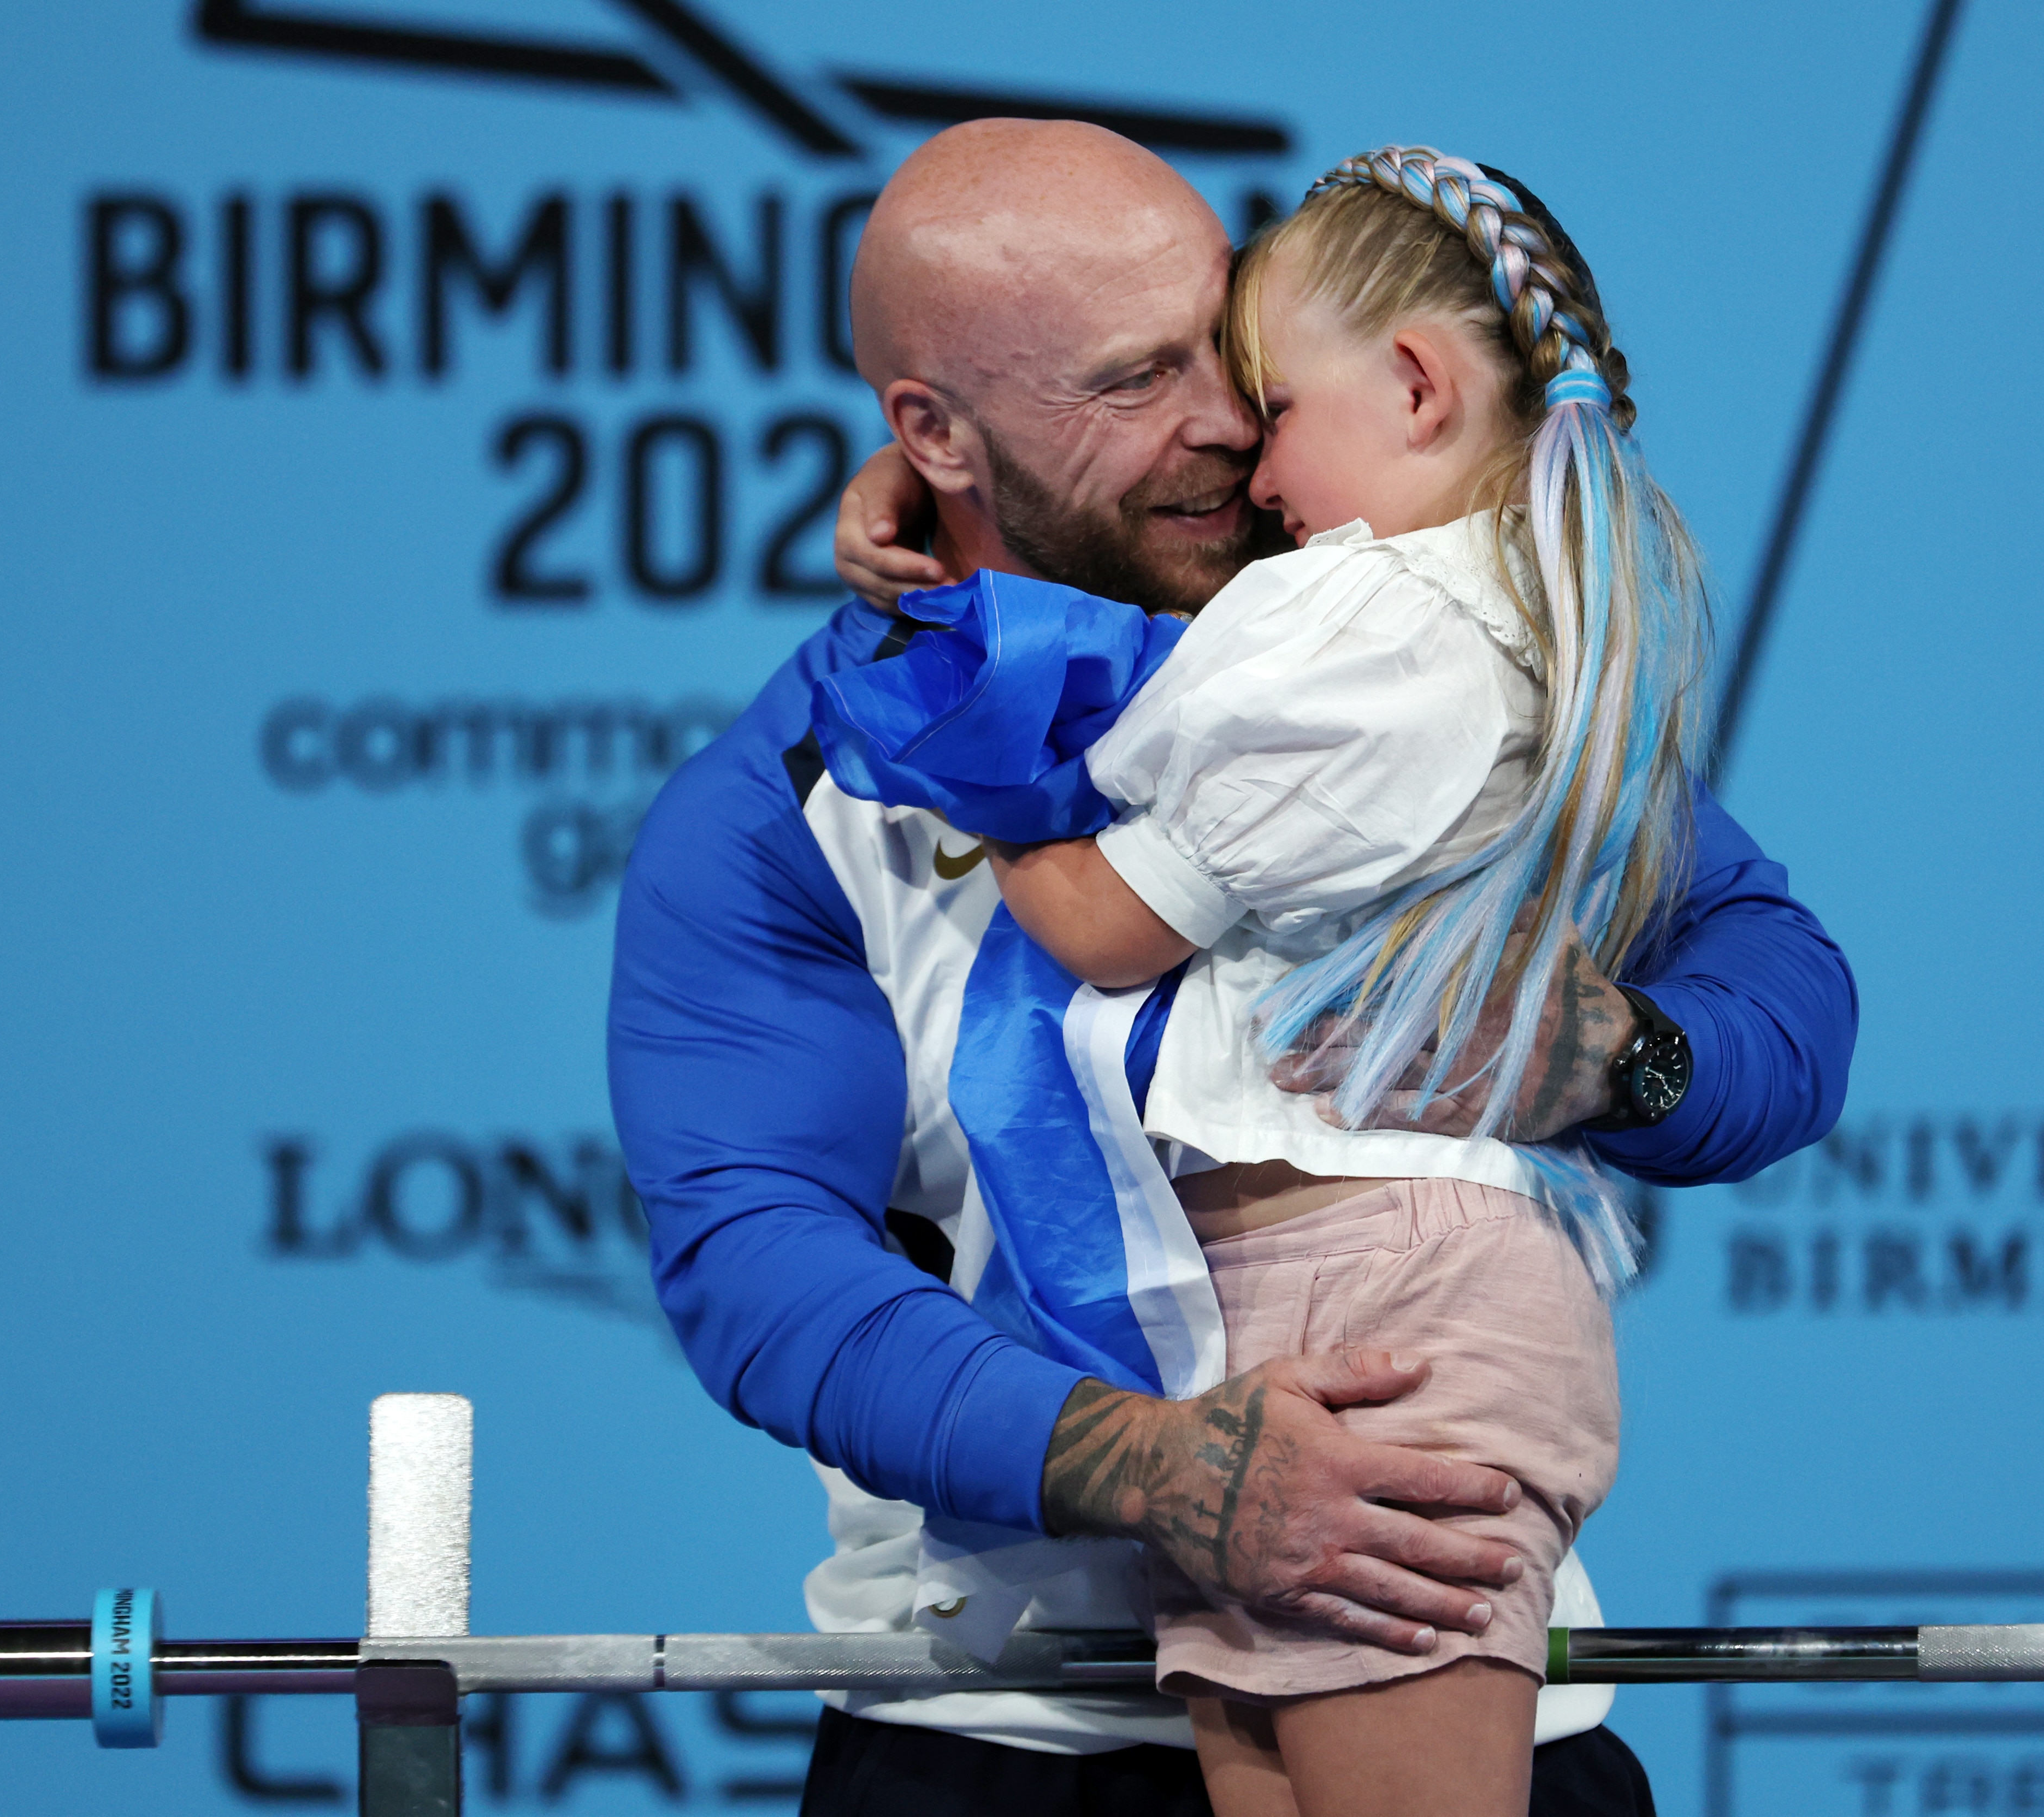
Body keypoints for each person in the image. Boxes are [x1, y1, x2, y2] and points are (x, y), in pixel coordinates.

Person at [607, 119, 1856, 1817]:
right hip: (1003, 1753)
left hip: (1460, 1682)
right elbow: (760, 1261)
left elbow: (1777, 986)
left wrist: (1624, 1057)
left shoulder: (1386, 650)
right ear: (934, 434)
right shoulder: (790, 805)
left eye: (1230, 349)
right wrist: (1147, 1466)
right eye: (1136, 380)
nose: (1226, 423)